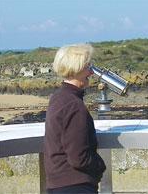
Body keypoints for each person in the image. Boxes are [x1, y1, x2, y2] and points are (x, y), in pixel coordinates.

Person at [44, 43, 106, 193]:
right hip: (75, 186)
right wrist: (100, 166)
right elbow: (79, 157)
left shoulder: (58, 98)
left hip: (57, 184)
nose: (91, 72)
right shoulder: (74, 105)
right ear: (76, 69)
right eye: (88, 67)